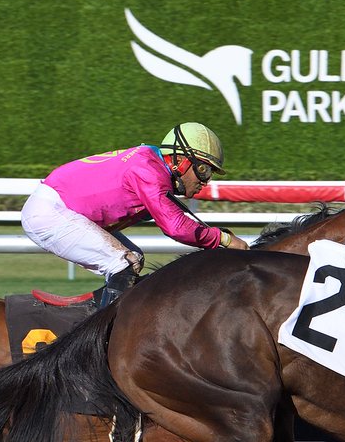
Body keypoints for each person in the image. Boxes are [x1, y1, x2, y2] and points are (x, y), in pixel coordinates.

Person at [21, 122, 248, 308]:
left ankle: (101, 315)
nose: (205, 181)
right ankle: (104, 339)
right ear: (180, 161)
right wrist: (224, 239)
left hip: (60, 207)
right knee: (123, 264)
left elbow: (175, 218)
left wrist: (219, 237)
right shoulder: (149, 170)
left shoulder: (153, 164)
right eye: (203, 170)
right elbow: (176, 227)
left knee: (135, 259)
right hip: (50, 212)